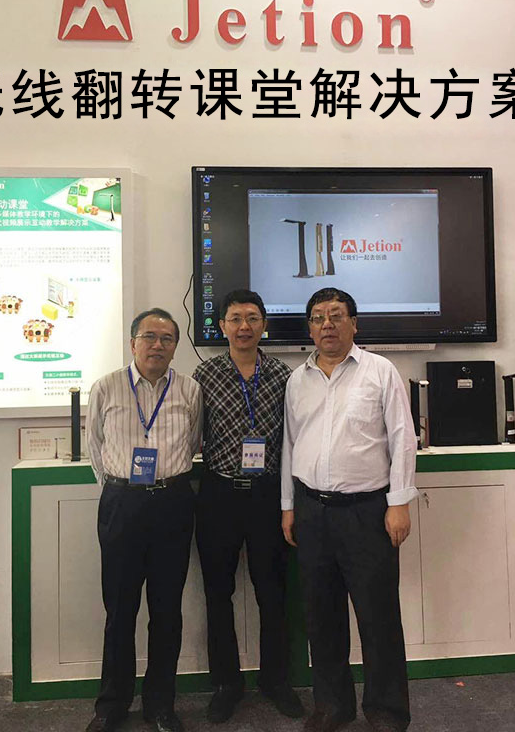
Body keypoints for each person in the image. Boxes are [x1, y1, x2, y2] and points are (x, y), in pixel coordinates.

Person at [281, 288, 418, 732]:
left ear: (354, 323)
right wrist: (288, 507)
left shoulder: (380, 371)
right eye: (318, 317)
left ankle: (387, 711)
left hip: (367, 513)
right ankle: (332, 706)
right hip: (311, 512)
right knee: (321, 617)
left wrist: (399, 503)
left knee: (378, 618)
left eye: (336, 315)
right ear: (309, 328)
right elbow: (290, 447)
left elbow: (403, 438)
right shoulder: (297, 380)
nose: (327, 324)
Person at [85, 308, 203, 732]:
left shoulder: (189, 389)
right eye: (149, 336)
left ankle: (160, 705)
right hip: (123, 504)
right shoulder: (106, 387)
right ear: (132, 342)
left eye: (167, 338)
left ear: (175, 346)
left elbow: (194, 440)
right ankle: (111, 705)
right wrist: (121, 489)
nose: (158, 345)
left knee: (167, 610)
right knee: (120, 609)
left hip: (173, 502)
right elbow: (95, 446)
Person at [193, 289, 304, 724]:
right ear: (222, 326)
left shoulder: (283, 375)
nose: (244, 326)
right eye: (235, 318)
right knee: (217, 593)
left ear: (264, 325)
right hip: (218, 494)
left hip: (266, 496)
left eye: (252, 318)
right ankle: (226, 684)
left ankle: (276, 680)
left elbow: (293, 437)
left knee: (272, 592)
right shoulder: (203, 375)